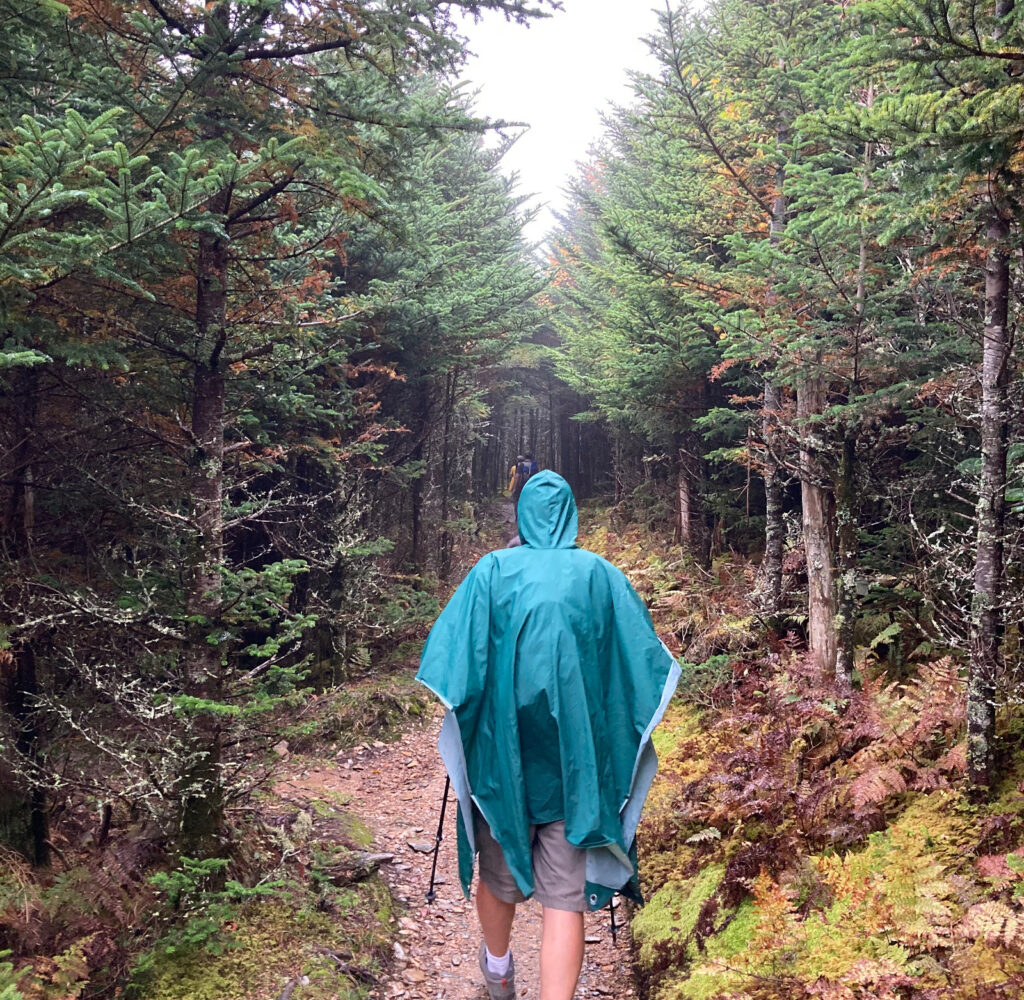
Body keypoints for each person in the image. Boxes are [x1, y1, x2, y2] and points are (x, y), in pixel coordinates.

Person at [416, 471, 680, 1000]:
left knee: (496, 874)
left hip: (500, 759)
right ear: (572, 515)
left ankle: (497, 968)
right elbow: (639, 666)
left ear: (522, 516)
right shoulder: (600, 576)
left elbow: (450, 660)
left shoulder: (491, 571)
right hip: (576, 766)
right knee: (566, 897)